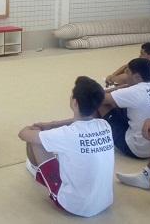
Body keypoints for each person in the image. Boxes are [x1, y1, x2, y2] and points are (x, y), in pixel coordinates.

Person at [18, 76, 114, 217]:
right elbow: (77, 122)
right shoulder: (104, 125)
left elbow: (23, 134)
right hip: (105, 201)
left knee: (35, 139)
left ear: (74, 102)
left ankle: (36, 169)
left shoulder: (66, 134)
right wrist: (52, 124)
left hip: (75, 206)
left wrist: (33, 128)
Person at [99, 58, 150, 159]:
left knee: (101, 103)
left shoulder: (135, 91)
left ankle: (94, 130)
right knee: (120, 103)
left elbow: (99, 98)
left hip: (138, 149)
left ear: (137, 77)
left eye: (128, 73)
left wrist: (116, 89)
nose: (125, 76)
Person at [105, 42, 150, 106]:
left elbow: (123, 78)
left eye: (142, 54)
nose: (139, 56)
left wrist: (111, 79)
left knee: (106, 103)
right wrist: (112, 75)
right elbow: (127, 66)